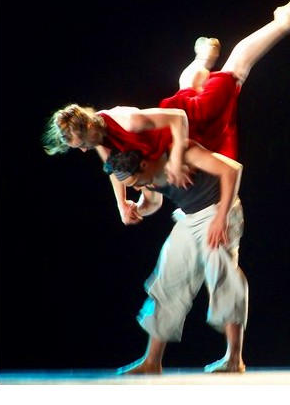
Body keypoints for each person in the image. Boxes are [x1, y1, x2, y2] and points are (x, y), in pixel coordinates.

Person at [42, 0, 290, 225]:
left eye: (80, 143)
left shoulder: (127, 121)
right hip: (178, 136)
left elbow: (177, 119)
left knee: (234, 73)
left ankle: (284, 20)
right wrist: (122, 204)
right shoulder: (99, 140)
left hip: (190, 120)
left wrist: (175, 161)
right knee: (190, 87)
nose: (81, 150)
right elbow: (115, 173)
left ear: (89, 124)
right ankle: (203, 58)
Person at [104, 141, 248, 374]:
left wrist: (221, 218)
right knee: (169, 277)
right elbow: (151, 203)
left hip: (218, 208)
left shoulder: (181, 153)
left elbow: (232, 170)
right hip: (189, 216)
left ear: (143, 163)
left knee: (221, 275)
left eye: (137, 182)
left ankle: (234, 359)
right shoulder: (146, 175)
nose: (139, 187)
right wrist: (135, 211)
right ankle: (151, 361)